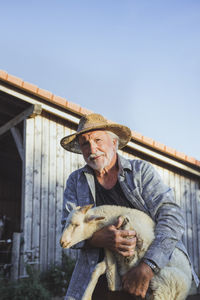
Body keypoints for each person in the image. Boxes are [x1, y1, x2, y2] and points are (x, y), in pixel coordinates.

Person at [60, 113, 198, 300]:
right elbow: (65, 228)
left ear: (114, 143)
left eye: (98, 140)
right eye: (85, 143)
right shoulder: (76, 181)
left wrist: (148, 266)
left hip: (149, 275)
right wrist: (96, 238)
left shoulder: (141, 172)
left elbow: (171, 216)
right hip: (100, 281)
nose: (92, 148)